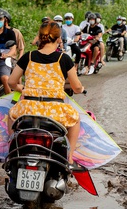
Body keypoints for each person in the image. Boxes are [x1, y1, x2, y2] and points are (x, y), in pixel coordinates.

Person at [8, 20, 85, 164]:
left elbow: (11, 82)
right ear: (58, 39)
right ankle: (69, 157)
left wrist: (21, 89)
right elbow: (76, 87)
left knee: (11, 114)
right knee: (75, 120)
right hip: (54, 110)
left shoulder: (28, 57)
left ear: (39, 37)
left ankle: (12, 150)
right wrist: (81, 89)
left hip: (28, 108)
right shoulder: (64, 59)